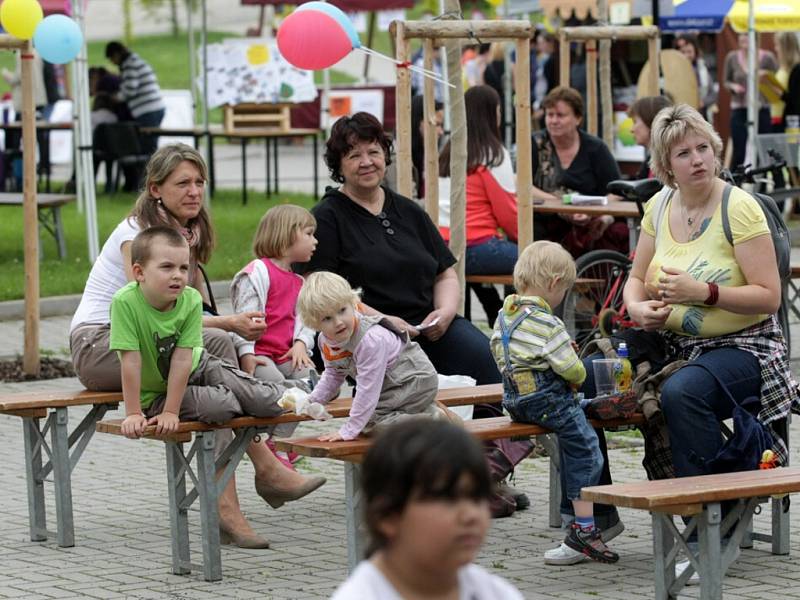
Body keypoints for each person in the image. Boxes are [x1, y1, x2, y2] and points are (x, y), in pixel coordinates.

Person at [70, 144, 323, 549]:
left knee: (219, 365)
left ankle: (249, 479)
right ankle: (255, 475)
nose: (194, 191)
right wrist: (229, 325)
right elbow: (152, 314)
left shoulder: (190, 231)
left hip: (158, 347)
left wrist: (242, 339)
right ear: (155, 188)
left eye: (200, 182)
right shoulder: (136, 236)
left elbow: (195, 308)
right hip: (101, 344)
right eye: (182, 183)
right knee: (218, 340)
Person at [622, 103, 798, 577]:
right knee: (602, 394)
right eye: (684, 153)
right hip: (682, 348)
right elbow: (634, 279)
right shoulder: (659, 205)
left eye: (704, 148)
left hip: (750, 349)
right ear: (664, 167)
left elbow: (768, 297)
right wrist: (638, 308)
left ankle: (710, 532)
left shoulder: (738, 207)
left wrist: (704, 292)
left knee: (681, 394)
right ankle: (591, 524)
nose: (698, 159)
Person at [297, 112, 501, 387]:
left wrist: (445, 311)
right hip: (371, 334)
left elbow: (445, 273)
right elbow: (319, 290)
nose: (367, 162)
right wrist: (382, 320)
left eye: (374, 152)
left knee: (488, 364)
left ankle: (488, 429)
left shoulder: (408, 210)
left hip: (431, 328)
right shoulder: (327, 217)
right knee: (408, 391)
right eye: (354, 155)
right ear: (339, 165)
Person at [490, 241, 619, 565]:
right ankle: (584, 527)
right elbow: (573, 370)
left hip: (515, 400)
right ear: (552, 284)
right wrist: (571, 365)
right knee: (587, 449)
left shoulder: (504, 318)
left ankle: (580, 524)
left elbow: (500, 352)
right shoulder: (549, 323)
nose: (563, 297)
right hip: (546, 400)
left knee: (578, 416)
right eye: (565, 289)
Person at [330, 420, 525, 600]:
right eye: (447, 499)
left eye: (477, 497)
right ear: (388, 515)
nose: (471, 515)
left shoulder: (495, 593)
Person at [298, 271, 439, 442]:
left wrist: (349, 429)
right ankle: (424, 417)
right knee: (366, 423)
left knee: (369, 425)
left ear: (353, 304)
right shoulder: (325, 340)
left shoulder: (370, 340)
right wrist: (313, 401)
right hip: (387, 387)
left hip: (412, 381)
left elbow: (367, 388)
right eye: (327, 318)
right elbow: (333, 373)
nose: (338, 322)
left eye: (342, 310)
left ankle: (436, 422)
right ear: (314, 323)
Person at [438, 85, 520, 324]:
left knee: (474, 270)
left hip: (443, 247)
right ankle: (520, 329)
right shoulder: (493, 155)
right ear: (491, 113)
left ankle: (497, 317)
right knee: (538, 261)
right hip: (476, 246)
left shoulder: (447, 151)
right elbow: (509, 216)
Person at [531, 86, 627, 258]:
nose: (553, 121)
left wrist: (596, 213)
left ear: (578, 118)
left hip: (589, 225)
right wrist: (561, 205)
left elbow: (617, 191)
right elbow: (521, 185)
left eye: (560, 115)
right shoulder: (535, 144)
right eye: (549, 115)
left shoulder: (595, 149)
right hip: (545, 226)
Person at [230, 205, 316, 383]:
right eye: (309, 234)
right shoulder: (257, 273)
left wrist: (301, 343)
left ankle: (291, 392)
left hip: (287, 355)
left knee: (321, 382)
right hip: (260, 354)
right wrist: (246, 353)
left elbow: (308, 321)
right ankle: (291, 392)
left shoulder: (300, 282)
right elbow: (245, 317)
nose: (315, 241)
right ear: (287, 236)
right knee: (274, 382)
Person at [723, 34, 777, 169]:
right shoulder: (732, 57)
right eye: (740, 35)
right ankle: (736, 182)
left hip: (761, 107)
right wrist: (733, 87)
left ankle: (763, 182)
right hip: (739, 108)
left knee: (764, 148)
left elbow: (776, 82)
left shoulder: (767, 57)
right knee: (739, 147)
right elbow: (726, 81)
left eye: (747, 34)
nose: (743, 38)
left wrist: (764, 76)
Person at [105, 41, 166, 157]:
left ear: (116, 54)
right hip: (154, 108)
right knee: (149, 145)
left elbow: (130, 89)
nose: (112, 62)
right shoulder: (136, 61)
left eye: (111, 58)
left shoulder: (129, 65)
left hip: (148, 110)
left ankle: (151, 173)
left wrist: (115, 97)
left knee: (148, 149)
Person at [628, 95, 674, 180]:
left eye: (635, 122)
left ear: (650, 121)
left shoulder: (668, 163)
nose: (632, 129)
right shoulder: (652, 160)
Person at [676, 35, 714, 118]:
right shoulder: (673, 70)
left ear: (695, 51)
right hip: (679, 114)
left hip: (699, 114)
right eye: (683, 52)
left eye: (689, 52)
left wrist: (702, 102)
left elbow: (712, 94)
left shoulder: (702, 69)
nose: (686, 55)